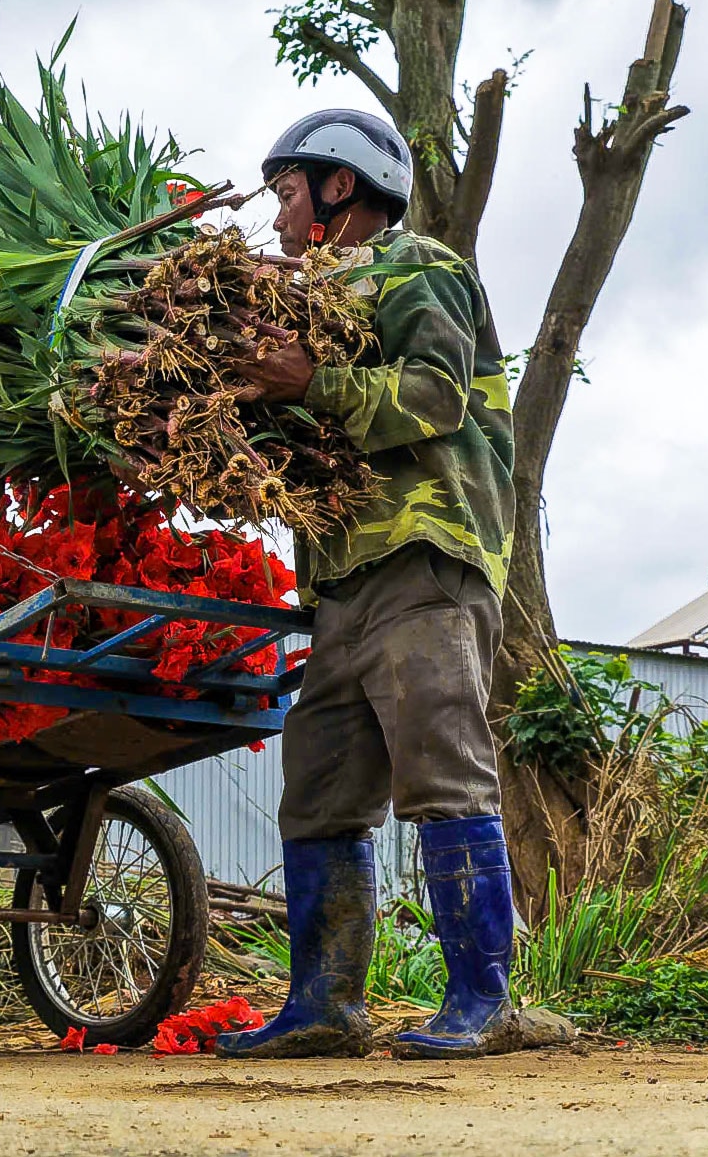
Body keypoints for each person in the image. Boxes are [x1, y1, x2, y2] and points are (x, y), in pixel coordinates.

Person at [212, 109, 519, 1060]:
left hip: (425, 556)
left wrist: (312, 384)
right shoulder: (312, 299)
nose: (275, 217)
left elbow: (434, 394)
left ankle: (483, 1001)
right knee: (319, 788)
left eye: (288, 192)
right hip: (345, 577)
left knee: (441, 768)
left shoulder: (418, 266)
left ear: (340, 186)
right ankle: (324, 1006)